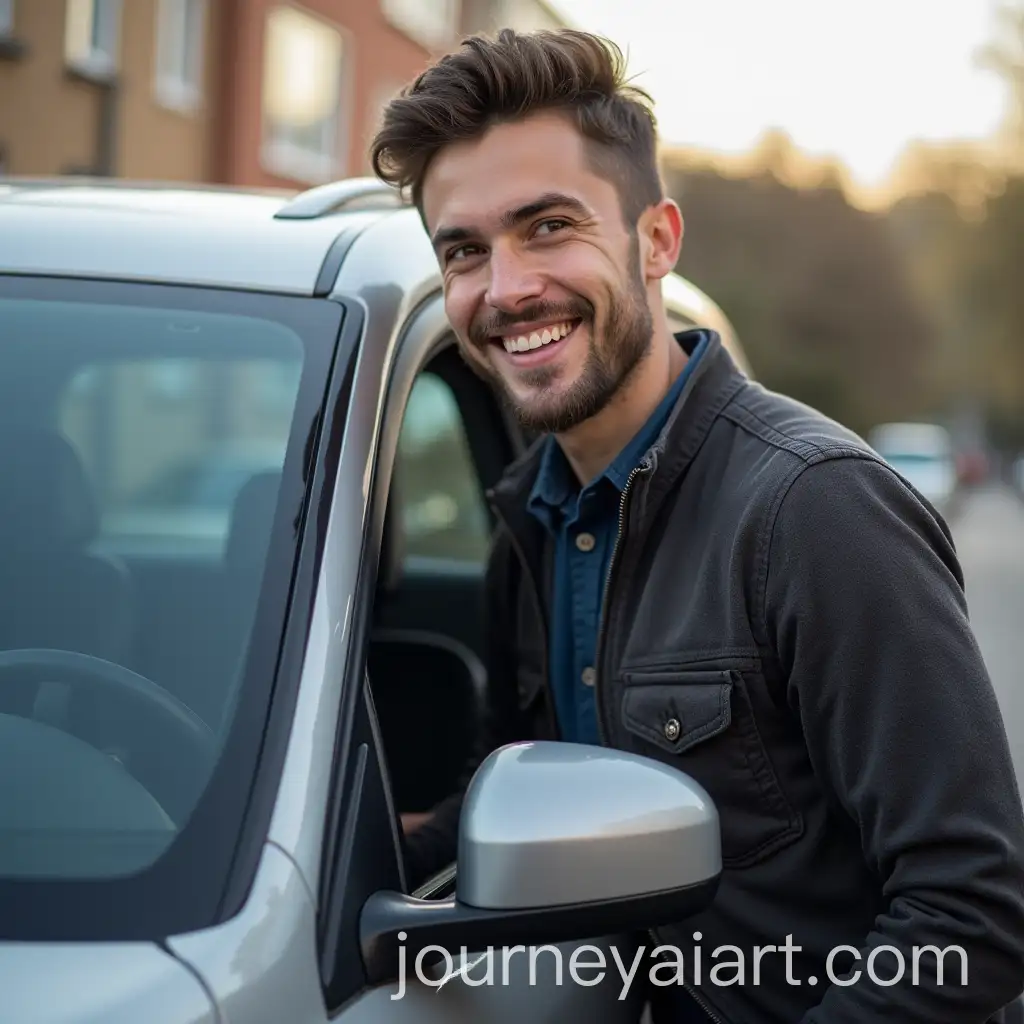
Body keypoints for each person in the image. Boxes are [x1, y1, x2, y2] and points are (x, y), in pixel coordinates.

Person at [369, 27, 1024, 1023]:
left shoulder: (816, 510)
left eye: (548, 226)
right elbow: (542, 794)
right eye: (464, 250)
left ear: (657, 240)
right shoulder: (532, 523)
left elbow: (975, 916)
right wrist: (361, 863)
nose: (503, 290)